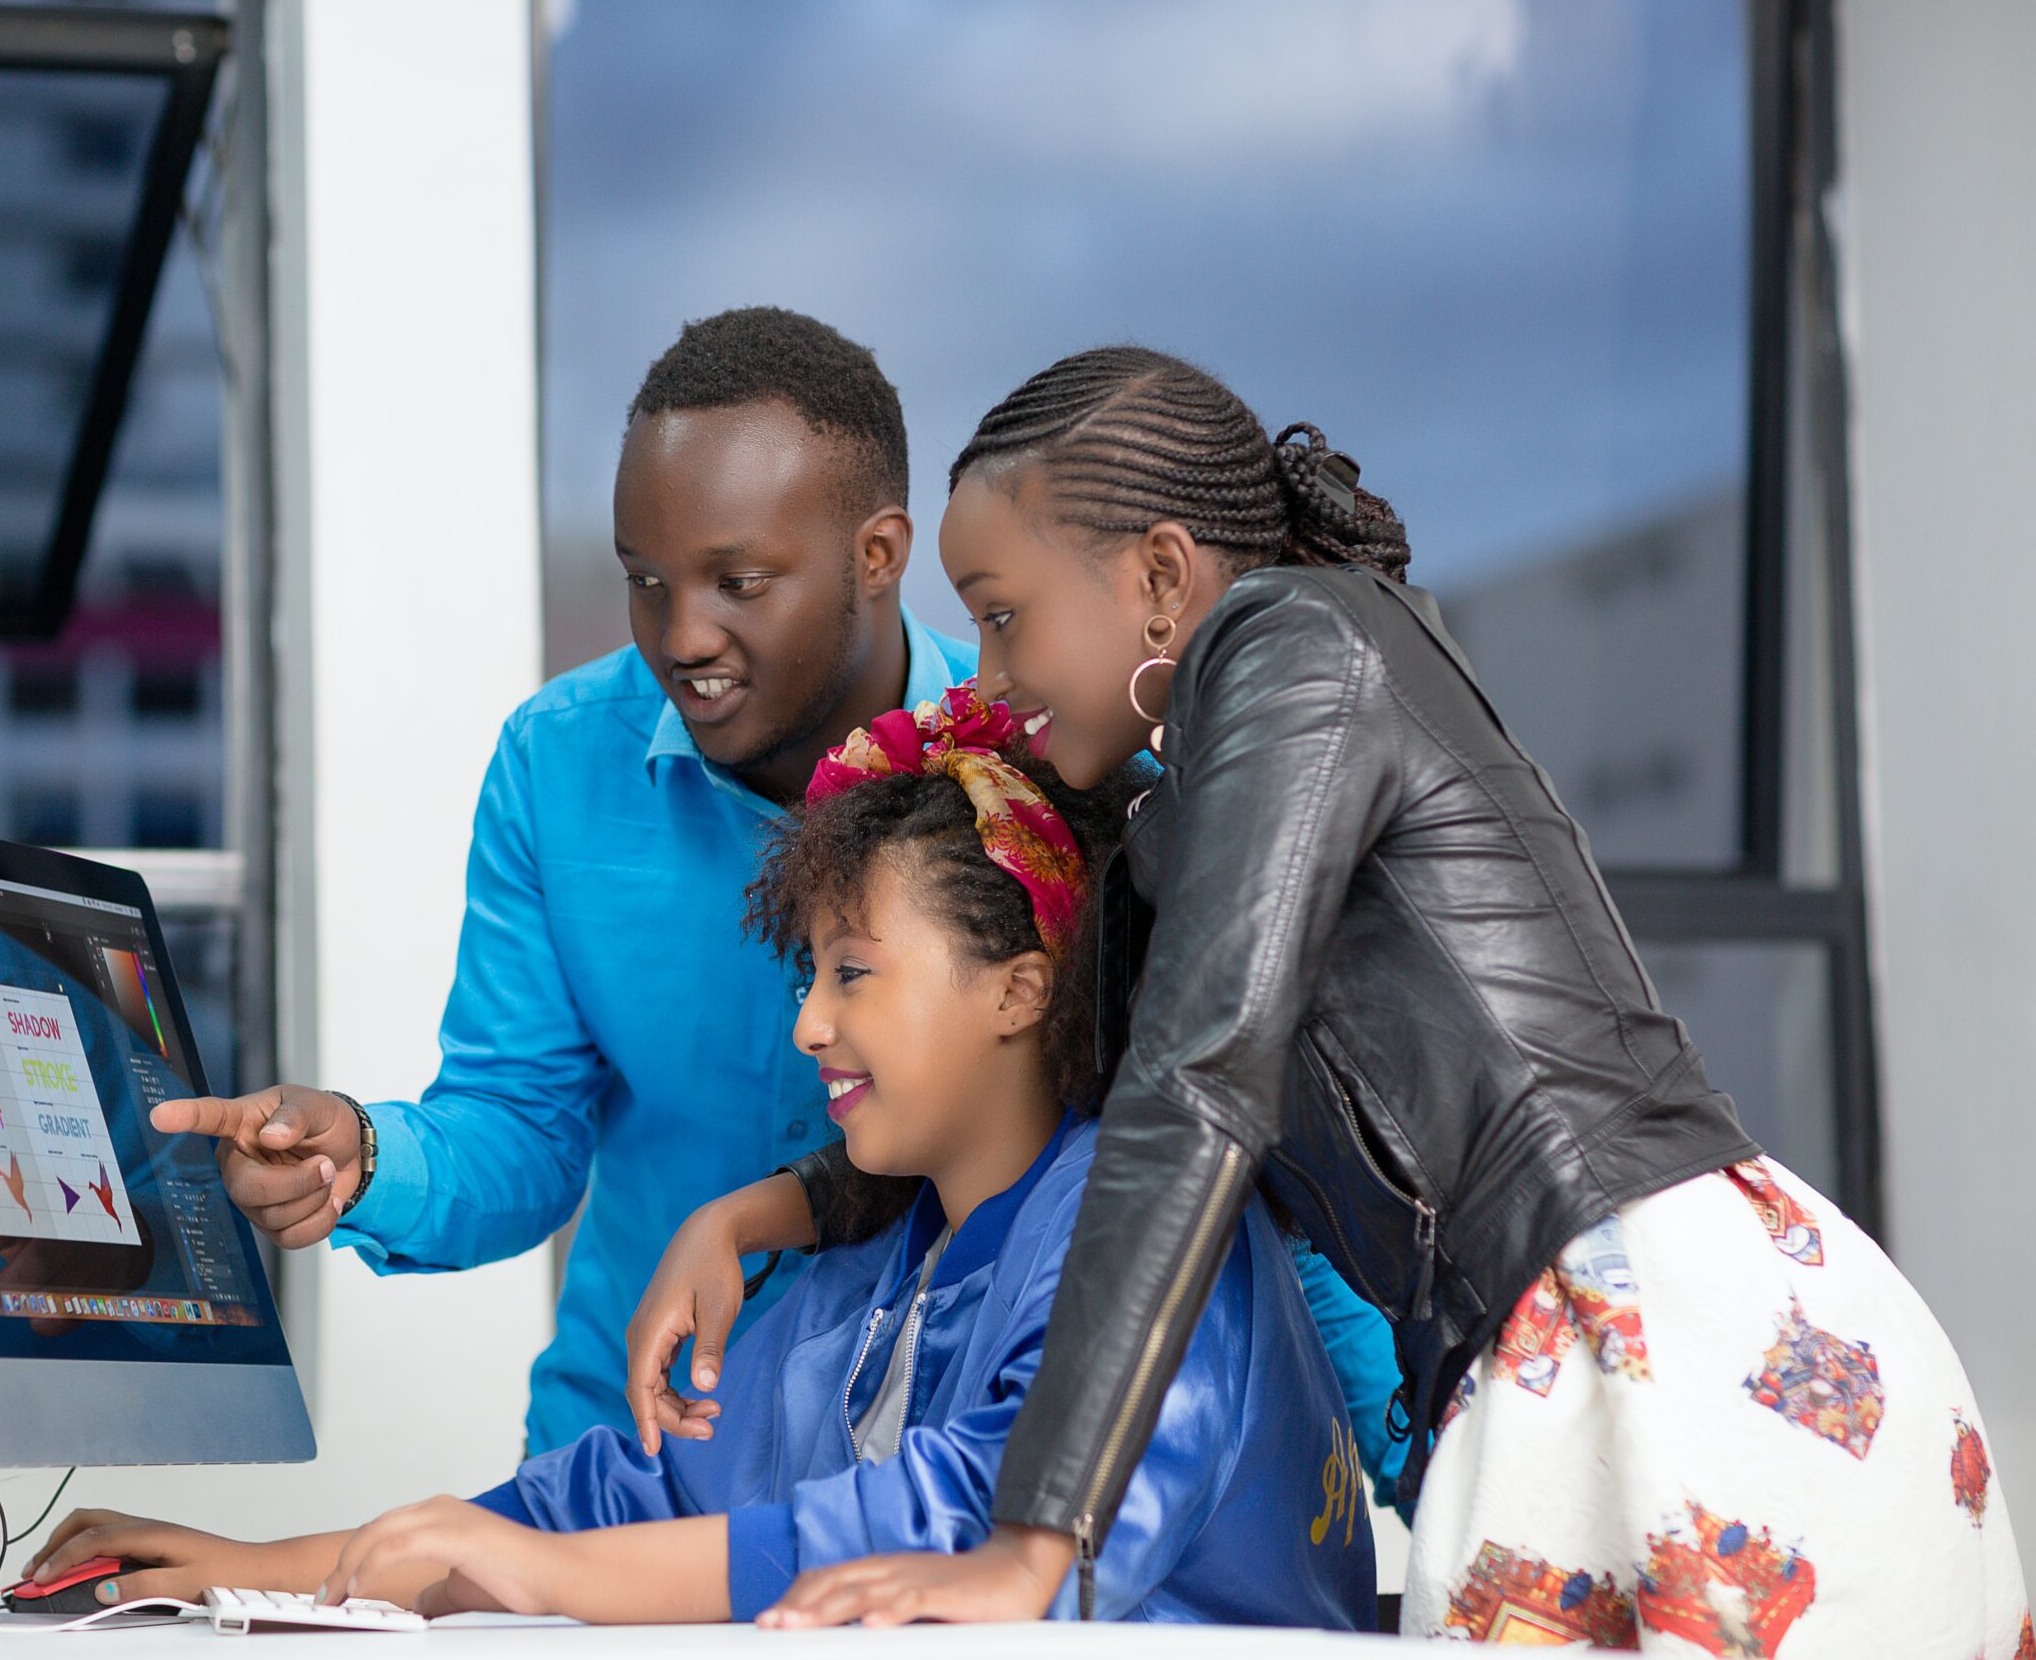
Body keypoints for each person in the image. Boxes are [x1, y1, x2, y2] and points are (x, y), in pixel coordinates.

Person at [640, 347, 2029, 1648]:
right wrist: (758, 1213)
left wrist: (1034, 1537)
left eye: (1004, 617)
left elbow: (1198, 1081)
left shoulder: (1299, 640)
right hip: (1542, 1362)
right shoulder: (1170, 840)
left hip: (1675, 1334)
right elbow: (1040, 1110)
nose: (989, 680)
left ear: (1165, 576)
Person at [151, 309, 1404, 1480]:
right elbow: (519, 1125)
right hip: (634, 1460)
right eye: (646, 578)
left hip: (941, 1471)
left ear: (877, 554)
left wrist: (1416, 1461)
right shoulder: (556, 762)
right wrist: (364, 1158)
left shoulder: (1054, 762)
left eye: (737, 581)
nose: (679, 633)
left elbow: (1237, 1140)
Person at [15, 688, 1373, 1628]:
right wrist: (263, 1572)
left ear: (1022, 988)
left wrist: (536, 1576)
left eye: (853, 973)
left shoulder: (1145, 1231)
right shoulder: (873, 1272)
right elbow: (630, 1491)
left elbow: (977, 1514)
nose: (808, 1023)